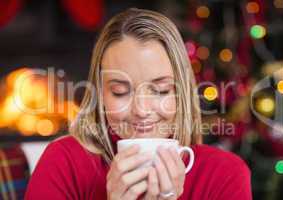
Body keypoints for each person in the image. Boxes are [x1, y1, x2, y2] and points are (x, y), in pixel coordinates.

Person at [25, 8, 252, 200]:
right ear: (100, 94)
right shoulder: (65, 162)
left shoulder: (225, 175)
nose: (142, 111)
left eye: (161, 90)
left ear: (181, 93)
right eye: (120, 92)